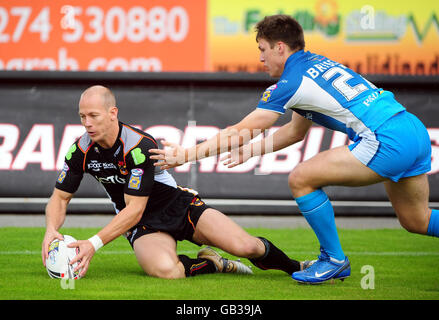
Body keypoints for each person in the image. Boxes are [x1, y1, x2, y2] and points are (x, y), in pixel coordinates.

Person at [149, 15, 439, 284]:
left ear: (279, 47)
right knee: (417, 220)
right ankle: (333, 259)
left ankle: (334, 259)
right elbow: (295, 132)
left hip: (386, 139)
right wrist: (254, 151)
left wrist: (184, 155)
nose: (260, 58)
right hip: (413, 129)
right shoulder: (315, 65)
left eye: (262, 49)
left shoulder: (292, 80)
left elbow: (240, 132)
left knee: (301, 178)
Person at [41, 85, 308, 280]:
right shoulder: (80, 151)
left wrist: (93, 243)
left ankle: (298, 268)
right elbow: (60, 197)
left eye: (93, 116)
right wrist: (51, 229)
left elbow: (134, 206)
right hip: (141, 224)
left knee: (247, 247)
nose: (86, 123)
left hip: (177, 205)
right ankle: (212, 264)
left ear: (112, 113)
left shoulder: (139, 145)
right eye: (82, 116)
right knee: (168, 271)